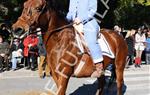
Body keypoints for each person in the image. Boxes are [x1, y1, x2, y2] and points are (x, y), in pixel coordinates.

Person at [66, 0, 104, 77]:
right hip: (73, 23)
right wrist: (65, 19)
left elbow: (92, 10)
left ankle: (99, 68)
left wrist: (80, 19)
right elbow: (70, 13)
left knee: (91, 41)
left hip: (88, 22)